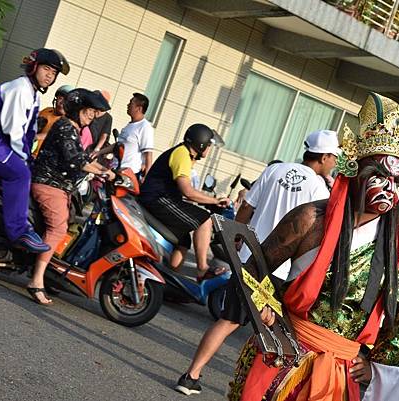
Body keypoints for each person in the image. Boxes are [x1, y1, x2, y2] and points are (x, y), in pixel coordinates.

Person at [218, 93, 399, 401]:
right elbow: (252, 272)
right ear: (355, 171)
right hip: (284, 357)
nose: (388, 188)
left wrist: (373, 363)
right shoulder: (310, 219)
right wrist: (265, 307)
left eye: (398, 181)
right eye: (379, 176)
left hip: (339, 377)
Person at [175, 129, 339, 396]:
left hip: (250, 261)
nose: (335, 163)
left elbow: (247, 208)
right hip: (284, 270)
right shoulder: (319, 189)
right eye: (334, 157)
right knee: (282, 336)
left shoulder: (275, 171)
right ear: (324, 157)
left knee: (228, 321)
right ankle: (265, 391)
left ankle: (190, 375)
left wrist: (236, 238)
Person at [27, 89, 115, 305]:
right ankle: (36, 280)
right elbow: (75, 160)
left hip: (60, 186)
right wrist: (103, 172)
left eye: (95, 112)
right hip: (49, 184)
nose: (92, 116)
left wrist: (111, 173)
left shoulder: (73, 129)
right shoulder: (65, 126)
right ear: (77, 109)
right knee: (57, 229)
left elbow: (84, 157)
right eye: (89, 111)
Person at [0, 48, 69, 252]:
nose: (50, 75)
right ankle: (19, 233)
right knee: (20, 174)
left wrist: (29, 157)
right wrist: (24, 158)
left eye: (54, 73)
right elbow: (13, 130)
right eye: (46, 69)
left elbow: (30, 130)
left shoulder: (32, 92)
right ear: (34, 67)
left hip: (1, 143)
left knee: (28, 170)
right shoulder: (19, 88)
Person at [139, 123, 230, 276]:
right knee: (204, 220)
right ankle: (202, 269)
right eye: (209, 145)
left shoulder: (184, 154)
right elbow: (188, 191)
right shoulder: (182, 154)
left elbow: (185, 192)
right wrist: (215, 201)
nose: (209, 148)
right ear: (201, 143)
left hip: (158, 198)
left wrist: (207, 200)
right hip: (157, 200)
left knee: (183, 240)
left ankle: (170, 278)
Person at [97, 93, 153, 179]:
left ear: (139, 108)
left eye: (131, 103)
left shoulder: (145, 127)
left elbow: (148, 154)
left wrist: (147, 177)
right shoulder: (129, 126)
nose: (128, 105)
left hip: (129, 176)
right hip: (116, 170)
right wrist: (98, 152)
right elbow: (117, 145)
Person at [32, 84, 74, 157]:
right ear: (56, 98)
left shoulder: (68, 122)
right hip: (28, 150)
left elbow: (56, 135)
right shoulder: (47, 110)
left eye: (67, 101)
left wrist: (37, 136)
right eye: (61, 98)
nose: (62, 103)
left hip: (41, 159)